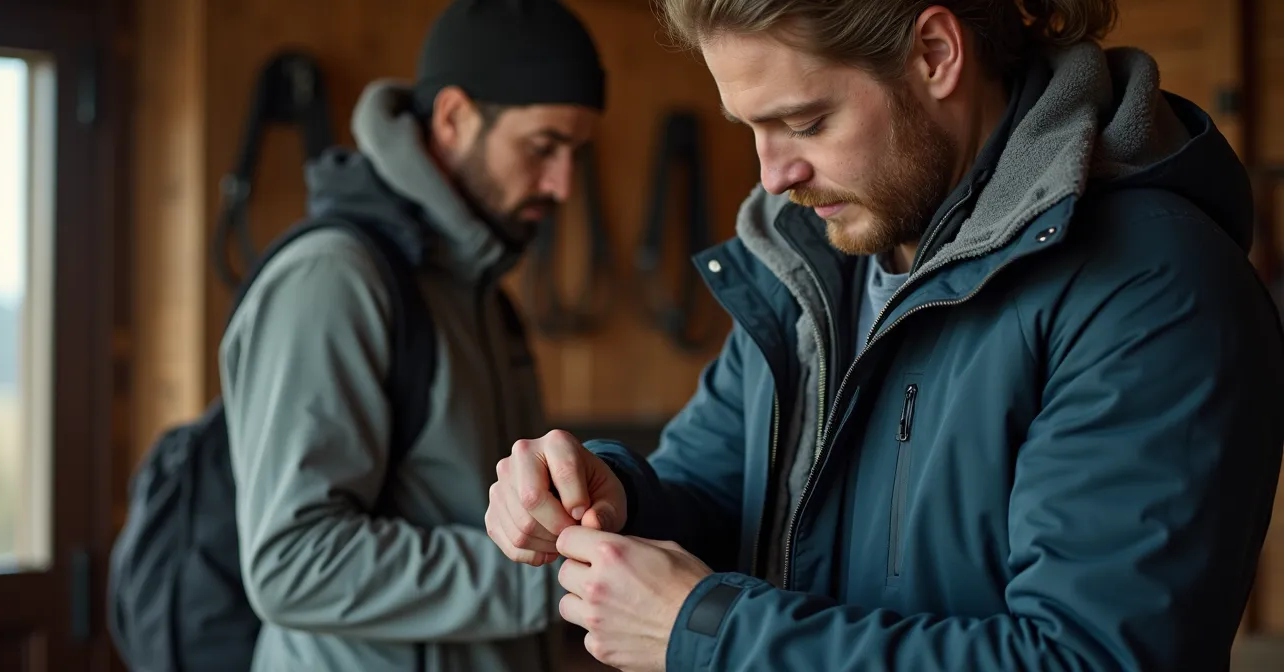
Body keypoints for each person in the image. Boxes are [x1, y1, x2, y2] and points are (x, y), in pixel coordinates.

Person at [485, 0, 1284, 670]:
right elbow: (715, 486)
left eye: (804, 120)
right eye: (751, 128)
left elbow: (1088, 658)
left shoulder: (1150, 285)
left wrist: (712, 634)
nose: (772, 174)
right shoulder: (814, 263)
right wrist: (607, 491)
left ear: (935, 55)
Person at [218, 1, 604, 670]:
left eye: (575, 153)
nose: (562, 184)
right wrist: (556, 575)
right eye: (543, 146)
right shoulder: (335, 280)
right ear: (453, 116)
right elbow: (292, 562)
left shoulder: (476, 289)